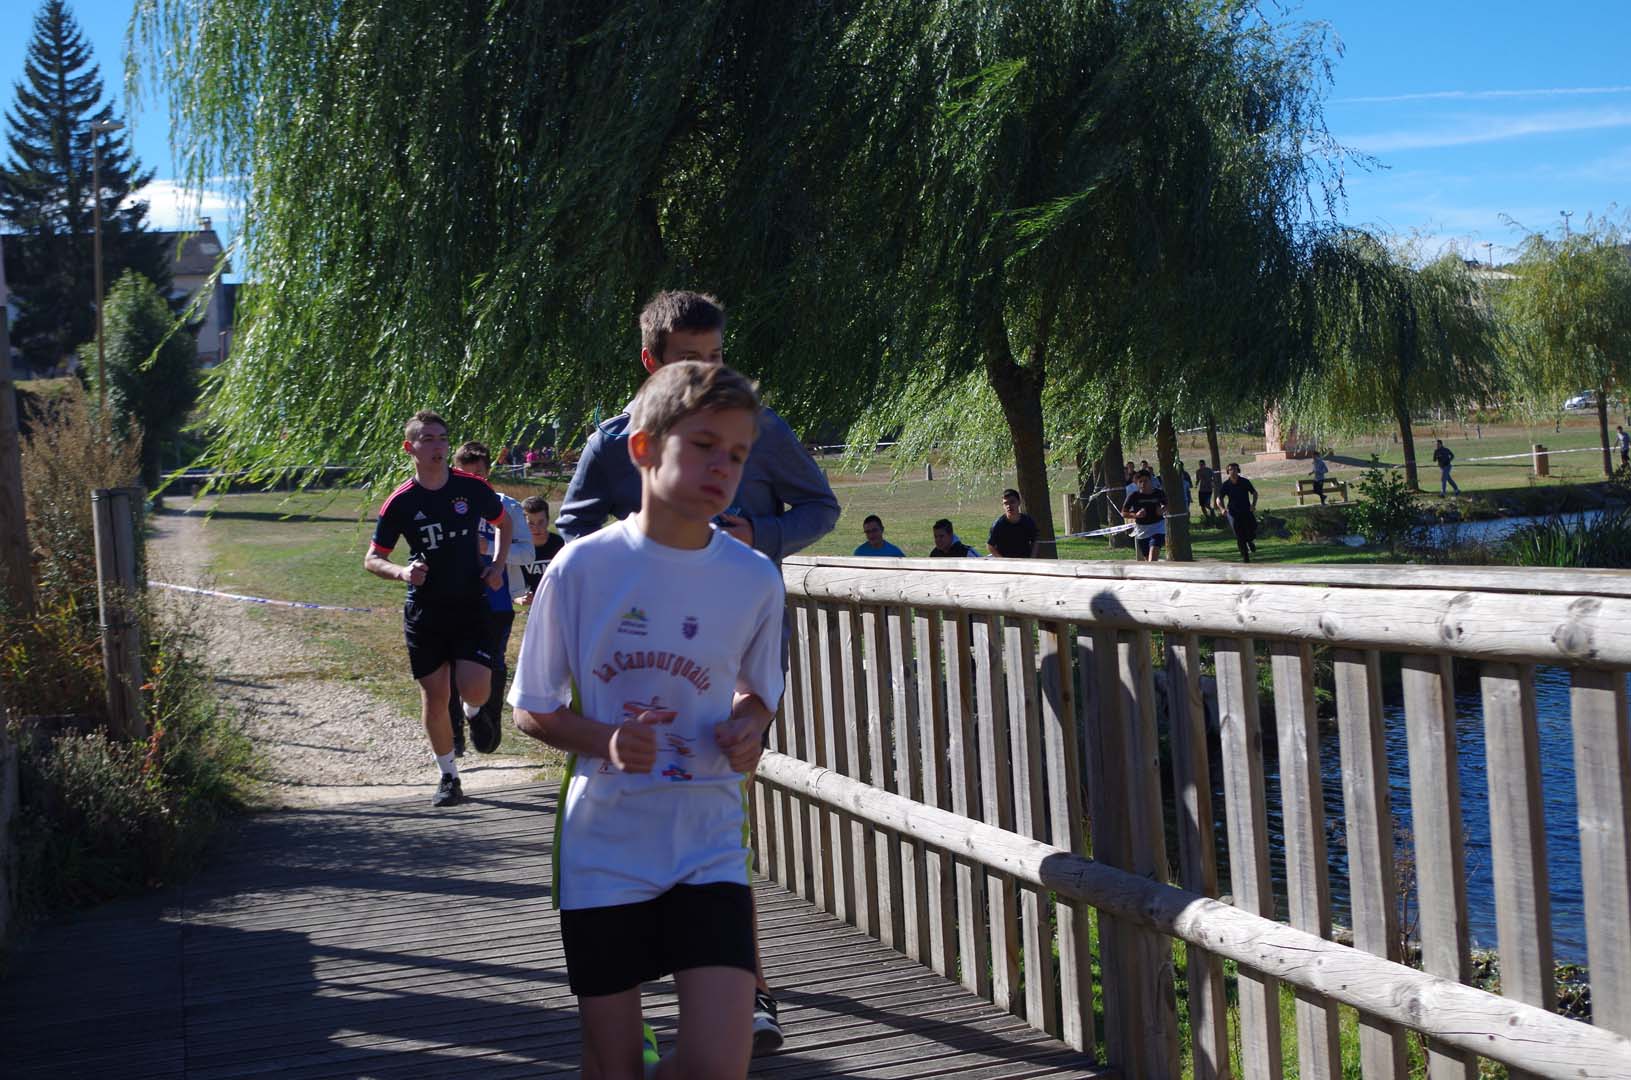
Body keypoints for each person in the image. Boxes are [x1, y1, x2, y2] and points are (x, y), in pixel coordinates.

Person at [554, 290, 838, 1054]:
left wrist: (761, 533)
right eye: (689, 361)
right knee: (638, 824)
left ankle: (747, 990)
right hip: (631, 677)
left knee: (717, 828)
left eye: (716, 358)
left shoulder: (760, 426)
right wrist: (645, 548)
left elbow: (820, 505)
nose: (708, 373)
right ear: (651, 363)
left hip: (725, 643)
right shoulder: (615, 440)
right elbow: (571, 533)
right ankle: (628, 1006)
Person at [510, 362, 782, 1080]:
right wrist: (601, 739)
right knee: (614, 1067)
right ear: (641, 447)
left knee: (719, 1068)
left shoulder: (754, 577)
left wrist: (750, 727)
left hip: (706, 838)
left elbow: (759, 693)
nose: (721, 467)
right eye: (702, 444)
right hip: (605, 845)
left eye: (736, 454)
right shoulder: (580, 568)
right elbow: (531, 707)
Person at [364, 411, 513, 807]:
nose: (438, 446)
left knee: (475, 686)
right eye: (427, 439)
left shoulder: (472, 488)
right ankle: (449, 776)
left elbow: (505, 523)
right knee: (434, 695)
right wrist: (401, 572)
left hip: (469, 604)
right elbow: (372, 558)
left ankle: (475, 710)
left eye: (443, 438)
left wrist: (497, 567)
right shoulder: (400, 502)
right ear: (409, 447)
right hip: (425, 611)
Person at [447, 441, 535, 757]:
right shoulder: (447, 504)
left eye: (481, 474)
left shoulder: (506, 506)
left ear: (489, 473)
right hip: (455, 597)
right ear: (457, 473)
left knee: (493, 663)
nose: (476, 480)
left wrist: (492, 550)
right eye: (468, 474)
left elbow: (528, 553)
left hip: (497, 601)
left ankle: (488, 723)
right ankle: (454, 731)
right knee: (452, 664)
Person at [518, 495, 566, 602]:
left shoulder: (561, 545)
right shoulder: (517, 548)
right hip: (535, 606)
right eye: (530, 523)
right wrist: (520, 598)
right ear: (522, 523)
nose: (536, 528)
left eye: (541, 522)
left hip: (561, 601)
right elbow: (512, 588)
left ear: (548, 520)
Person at [1121, 469, 1167, 562]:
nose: (1143, 484)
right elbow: (1123, 513)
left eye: (1145, 481)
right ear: (1137, 483)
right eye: (1140, 481)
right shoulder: (1134, 496)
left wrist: (1162, 510)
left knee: (1152, 559)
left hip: (1157, 528)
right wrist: (1136, 515)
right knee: (1147, 560)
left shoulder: (1158, 493)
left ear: (1150, 481)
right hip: (1142, 530)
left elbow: (1167, 505)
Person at [1217, 462, 1259, 562]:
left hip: (1246, 510)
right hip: (1233, 513)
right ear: (1228, 472)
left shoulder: (1245, 482)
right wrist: (1222, 509)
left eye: (1235, 469)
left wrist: (1253, 505)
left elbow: (1254, 493)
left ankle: (1250, 541)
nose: (1233, 471)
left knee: (1252, 529)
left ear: (1238, 471)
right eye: (1231, 469)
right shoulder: (1226, 485)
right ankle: (1245, 557)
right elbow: (1219, 499)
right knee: (1239, 535)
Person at [987, 489, 1040, 557]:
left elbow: (1035, 541)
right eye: (1006, 503)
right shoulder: (998, 524)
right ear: (1003, 505)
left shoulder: (1028, 521)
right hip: (1006, 562)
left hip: (1025, 561)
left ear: (1019, 502)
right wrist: (1002, 560)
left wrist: (1032, 559)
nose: (1009, 506)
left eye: (1012, 502)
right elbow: (990, 546)